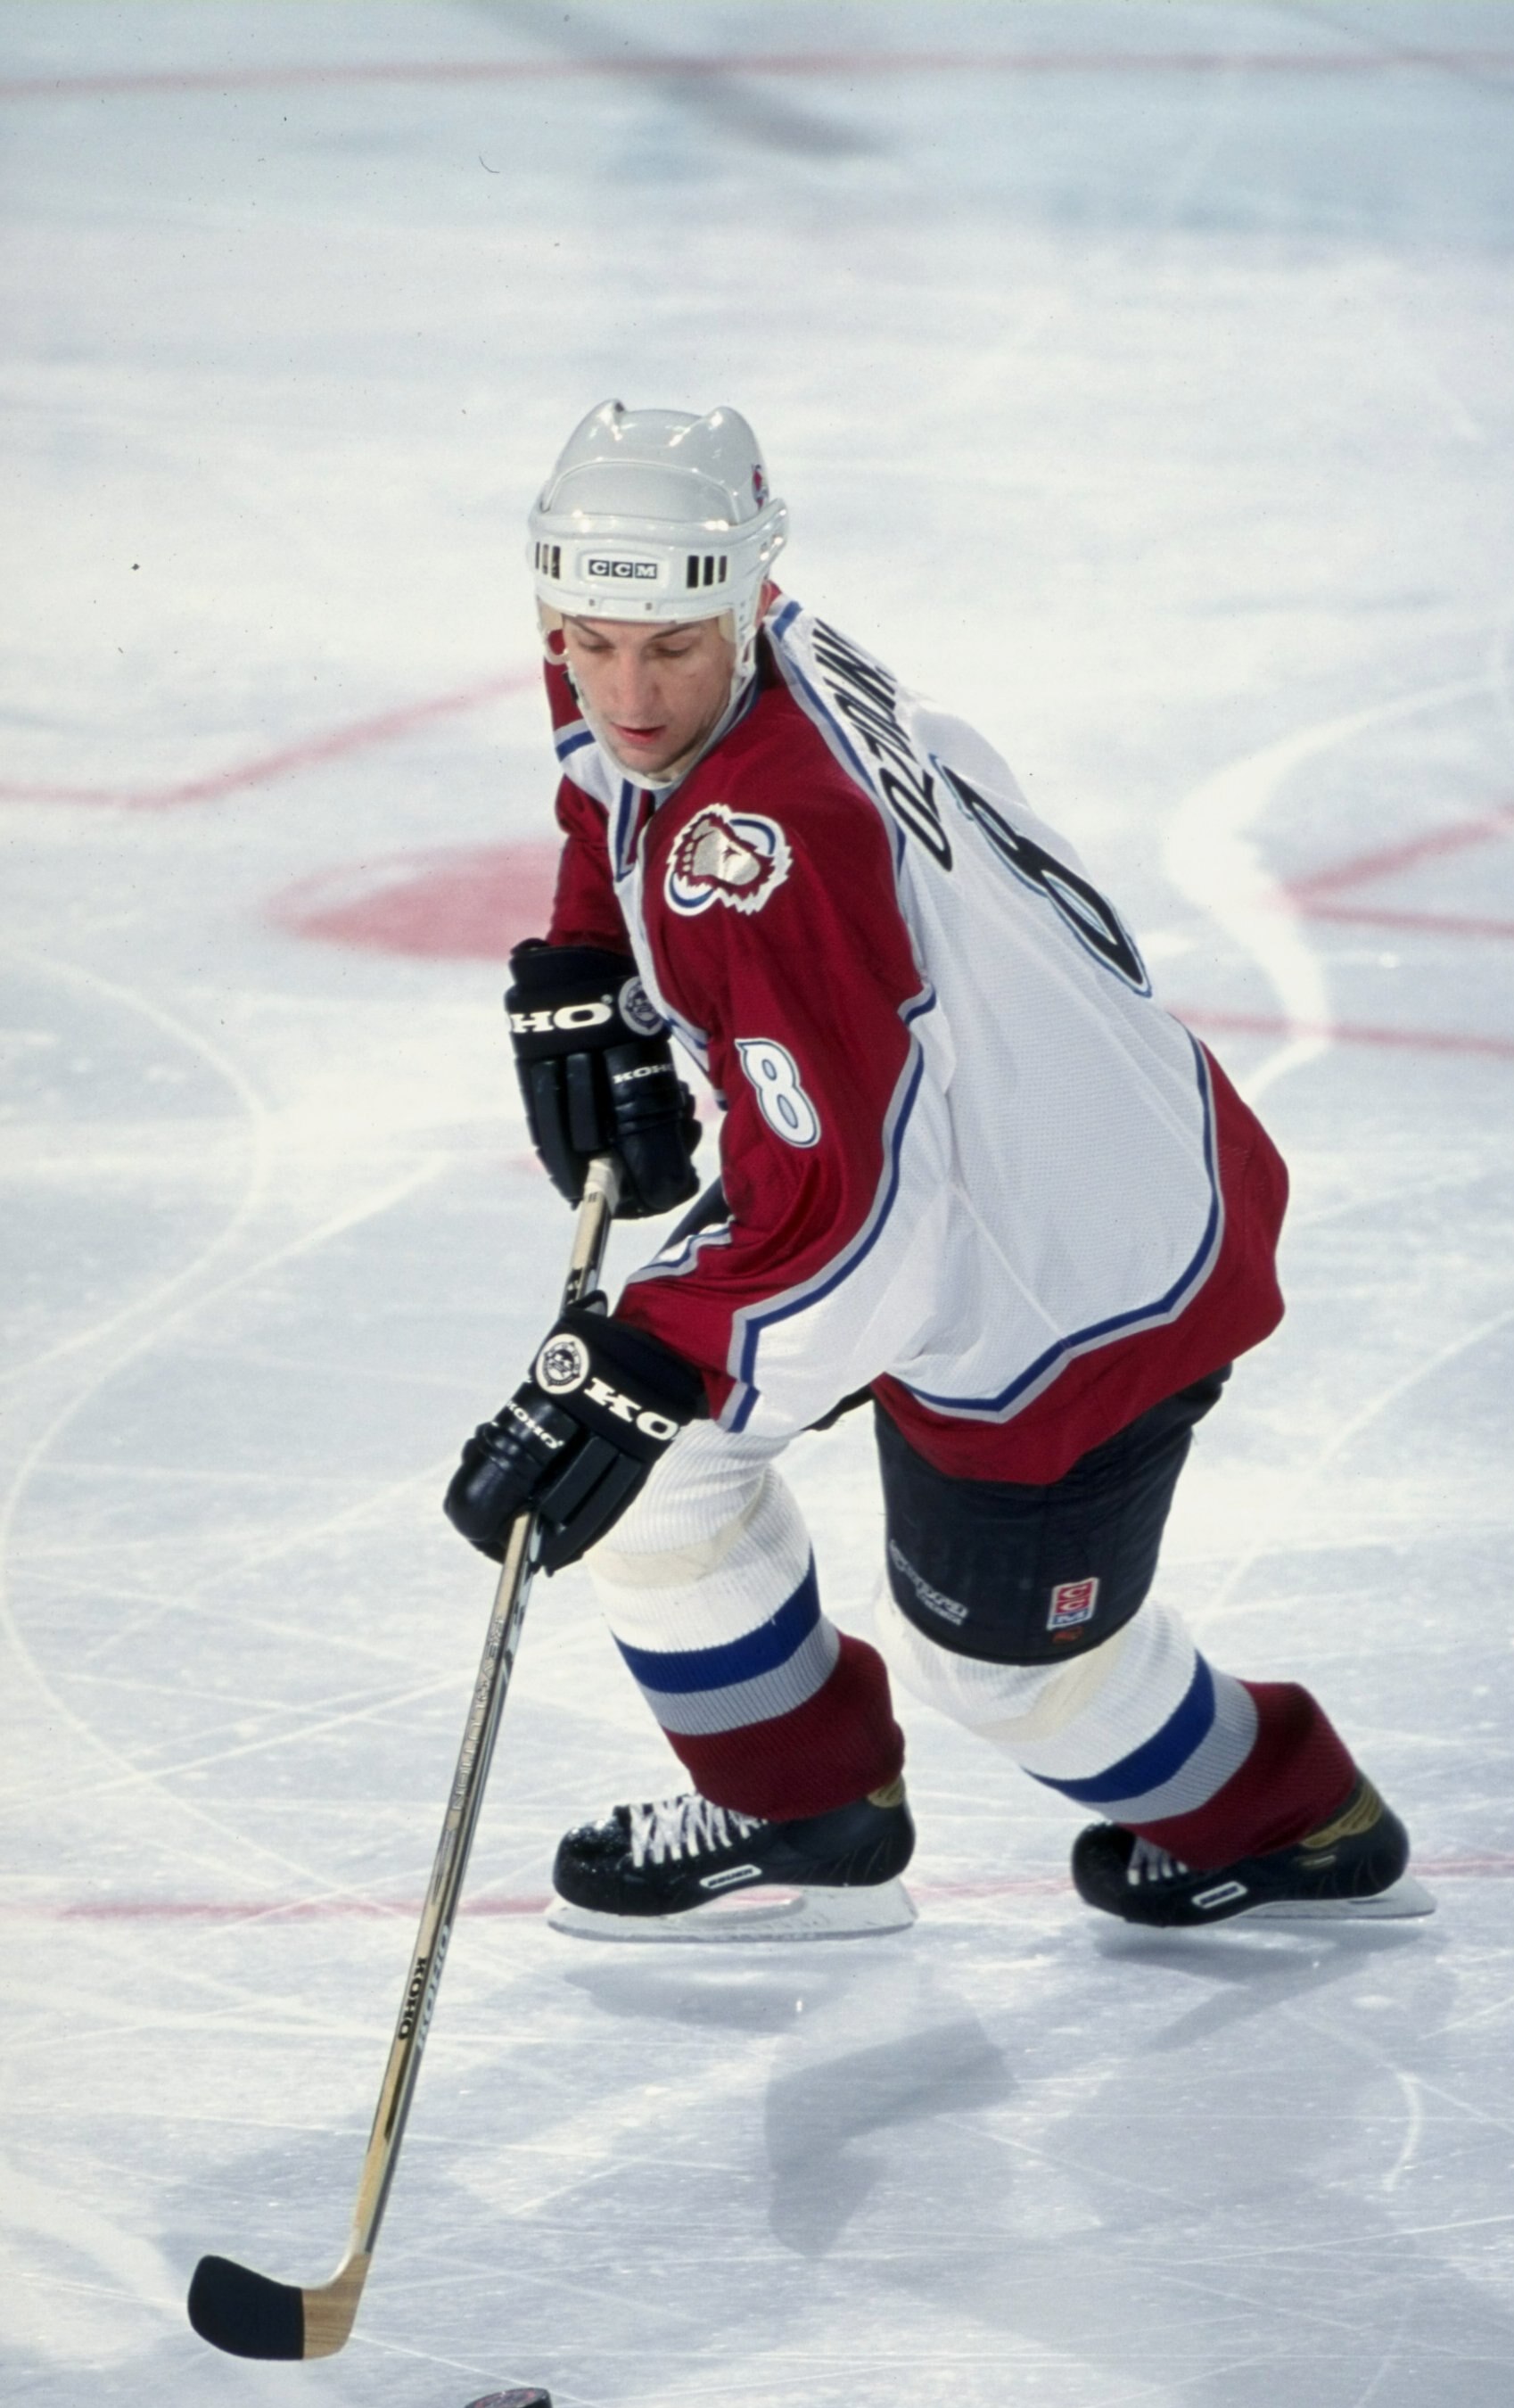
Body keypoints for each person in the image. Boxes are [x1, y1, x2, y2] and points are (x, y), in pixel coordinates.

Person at [445, 401, 1426, 1936]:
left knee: (1012, 1672)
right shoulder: (705, 639)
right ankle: (806, 1816)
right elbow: (612, 775)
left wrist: (650, 1361)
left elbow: (871, 1225)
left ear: (747, 597)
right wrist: (586, 955)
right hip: (979, 1128)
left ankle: (1294, 1821)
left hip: (1072, 1269)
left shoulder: (765, 849)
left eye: (670, 651)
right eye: (590, 643)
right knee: (657, 1472)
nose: (627, 691)